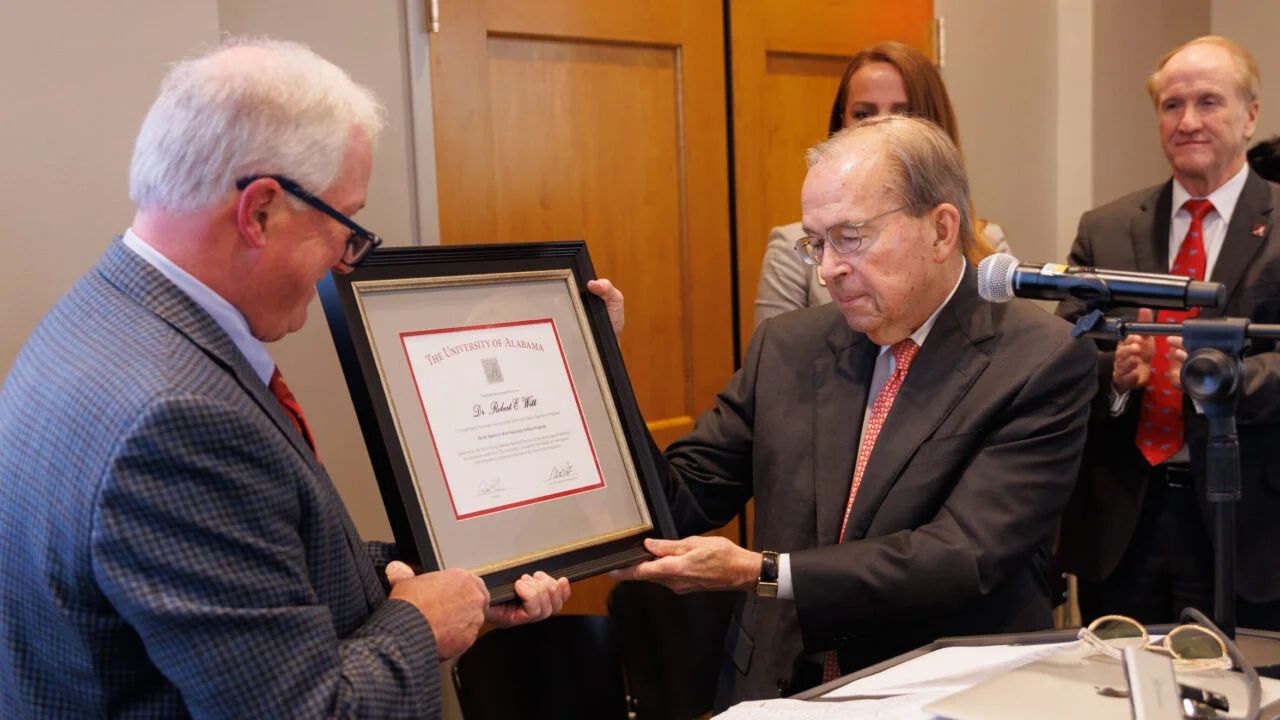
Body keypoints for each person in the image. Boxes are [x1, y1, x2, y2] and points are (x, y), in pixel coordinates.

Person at [0, 38, 569, 718]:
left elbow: (235, 574)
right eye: (345, 226)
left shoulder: (98, 315)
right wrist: (421, 625)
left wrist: (428, 577)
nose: (346, 261)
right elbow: (309, 710)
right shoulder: (176, 419)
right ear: (261, 211)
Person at [604, 114, 1096, 707]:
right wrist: (599, 371)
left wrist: (762, 571)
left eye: (851, 237)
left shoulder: (1039, 359)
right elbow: (679, 501)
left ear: (941, 230)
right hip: (779, 687)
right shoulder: (790, 346)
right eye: (817, 242)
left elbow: (963, 554)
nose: (828, 268)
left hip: (936, 692)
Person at [1055, 36, 1280, 630]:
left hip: (1250, 525)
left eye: (1208, 102)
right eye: (1172, 105)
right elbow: (1060, 354)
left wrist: (1221, 380)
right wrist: (1112, 375)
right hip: (1123, 525)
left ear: (1250, 115)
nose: (1188, 122)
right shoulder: (1105, 229)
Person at [754, 40, 1008, 328]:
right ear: (840, 123)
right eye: (863, 114)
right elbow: (781, 349)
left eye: (905, 114)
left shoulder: (987, 244)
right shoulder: (790, 251)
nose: (881, 126)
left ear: (942, 231)